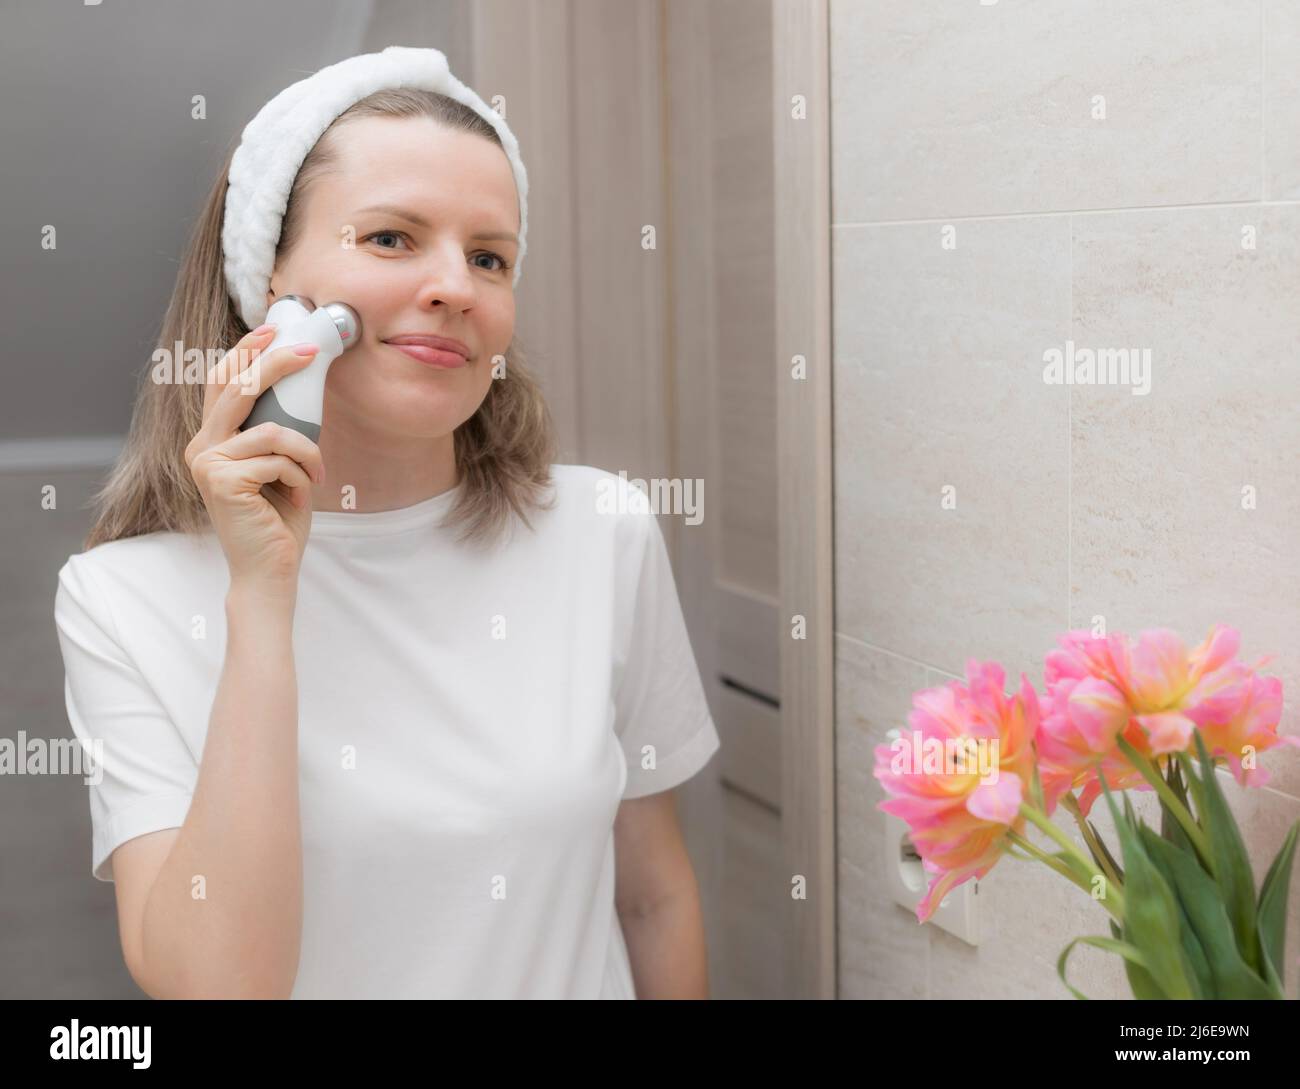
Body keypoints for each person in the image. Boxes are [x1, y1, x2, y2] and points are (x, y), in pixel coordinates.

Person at [52, 48, 720, 999]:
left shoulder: (600, 531)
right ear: (270, 281)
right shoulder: (125, 598)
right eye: (393, 239)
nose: (457, 285)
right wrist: (260, 599)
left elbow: (652, 897)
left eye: (490, 256)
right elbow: (217, 988)